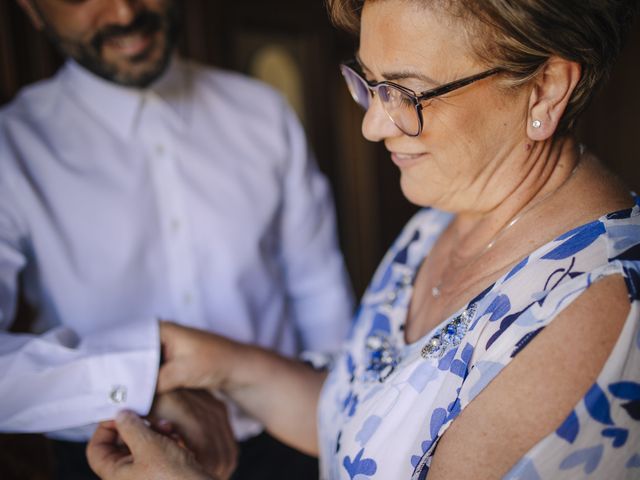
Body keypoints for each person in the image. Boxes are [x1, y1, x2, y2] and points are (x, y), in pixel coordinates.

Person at [87, 0, 640, 478]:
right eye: (370, 84)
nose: (372, 125)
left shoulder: (597, 312)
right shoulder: (445, 216)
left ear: (545, 89)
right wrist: (231, 366)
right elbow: (371, 435)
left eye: (405, 92)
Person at [0, 0, 354, 479]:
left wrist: (334, 421)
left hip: (287, 444)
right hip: (113, 461)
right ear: (33, 9)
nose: (124, 12)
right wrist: (135, 381)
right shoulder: (11, 150)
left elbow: (317, 287)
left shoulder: (263, 112)